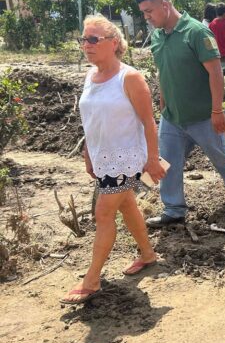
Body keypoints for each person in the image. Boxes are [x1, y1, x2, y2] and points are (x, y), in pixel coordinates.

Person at [61, 15, 166, 304]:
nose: (86, 44)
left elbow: (148, 122)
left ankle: (91, 280)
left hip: (127, 160)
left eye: (93, 39)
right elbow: (91, 120)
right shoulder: (90, 76)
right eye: (84, 38)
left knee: (104, 213)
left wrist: (153, 159)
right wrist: (88, 152)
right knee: (127, 205)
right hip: (102, 158)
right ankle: (147, 254)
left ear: (114, 43)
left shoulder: (129, 77)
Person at [136, 0, 225, 228]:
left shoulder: (196, 32)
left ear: (165, 5)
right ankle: (174, 208)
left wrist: (217, 111)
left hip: (203, 116)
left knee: (219, 156)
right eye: (144, 13)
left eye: (149, 11)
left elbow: (216, 72)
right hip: (172, 117)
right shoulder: (158, 36)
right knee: (167, 160)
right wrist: (164, 102)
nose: (147, 18)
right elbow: (164, 72)